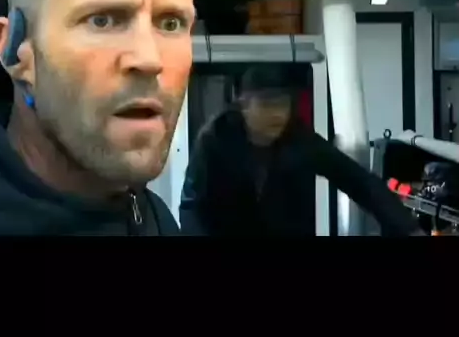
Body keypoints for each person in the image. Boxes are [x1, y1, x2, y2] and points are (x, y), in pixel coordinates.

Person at [0, 0, 196, 235]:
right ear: (15, 51)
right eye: (102, 20)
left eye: (170, 23)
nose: (149, 59)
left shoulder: (153, 216)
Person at [179, 65, 421, 237]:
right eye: (266, 104)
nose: (277, 114)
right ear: (244, 105)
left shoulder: (298, 138)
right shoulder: (215, 139)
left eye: (282, 104)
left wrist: (408, 227)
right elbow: (192, 206)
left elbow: (358, 180)